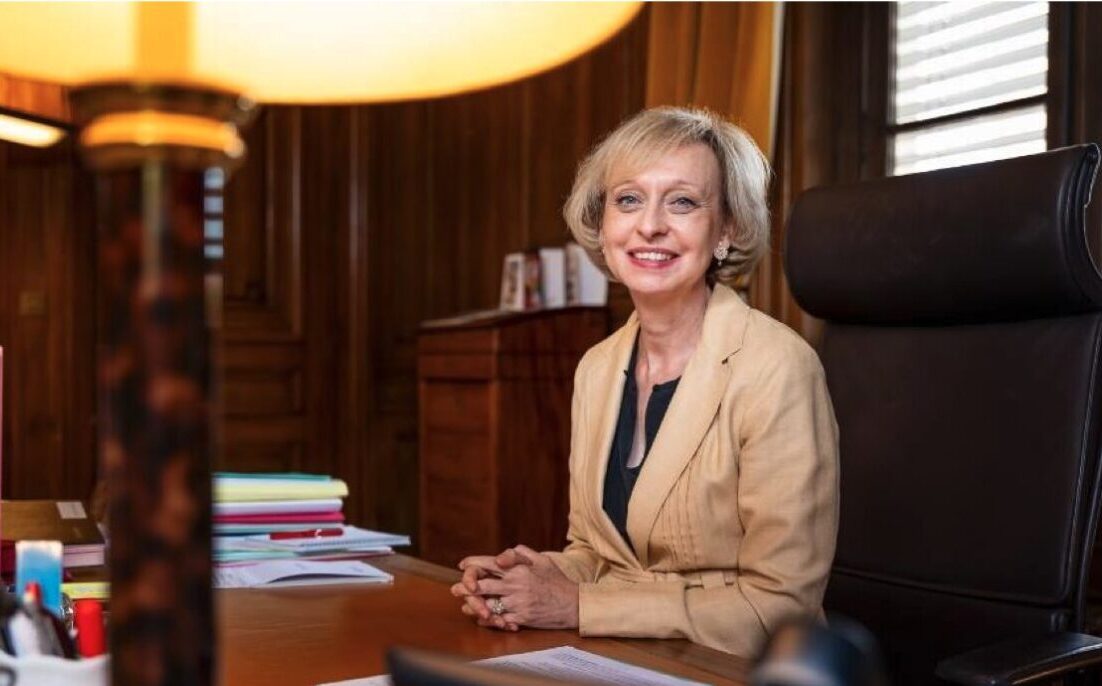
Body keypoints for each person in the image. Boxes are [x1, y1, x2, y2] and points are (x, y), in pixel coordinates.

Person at [450, 106, 839, 658]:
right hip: (624, 656)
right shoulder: (598, 367)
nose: (649, 224)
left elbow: (781, 609)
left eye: (682, 202)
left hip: (734, 668)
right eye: (628, 199)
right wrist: (523, 580)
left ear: (726, 228)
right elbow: (599, 553)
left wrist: (581, 607)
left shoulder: (777, 367)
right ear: (604, 225)